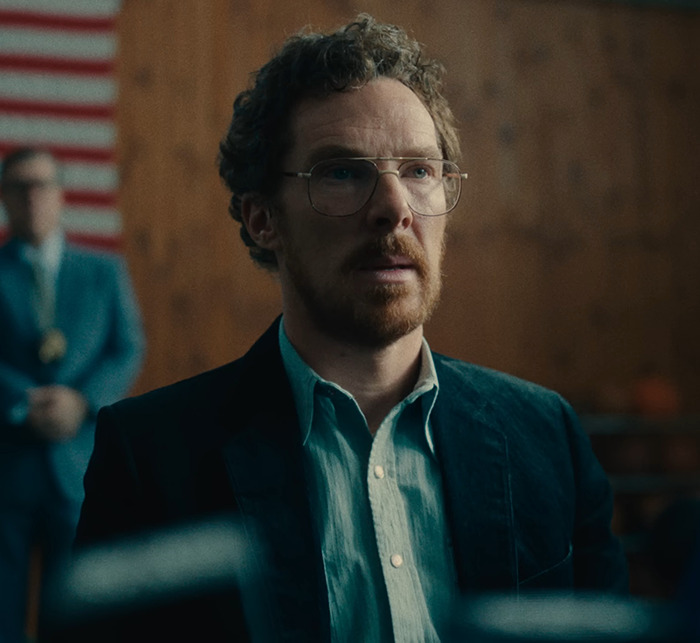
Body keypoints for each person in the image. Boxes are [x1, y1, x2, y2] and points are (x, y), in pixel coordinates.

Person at [73, 14, 628, 642]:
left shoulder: (545, 437)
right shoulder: (151, 461)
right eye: (342, 172)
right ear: (263, 220)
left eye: (419, 171)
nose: (394, 208)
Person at [0, 147, 145, 642]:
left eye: (42, 185)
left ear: (61, 195)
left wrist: (80, 402)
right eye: (19, 187)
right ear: (5, 199)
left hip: (80, 467)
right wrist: (26, 402)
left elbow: (127, 347)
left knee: (78, 615)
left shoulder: (103, 271)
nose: (32, 197)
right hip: (9, 467)